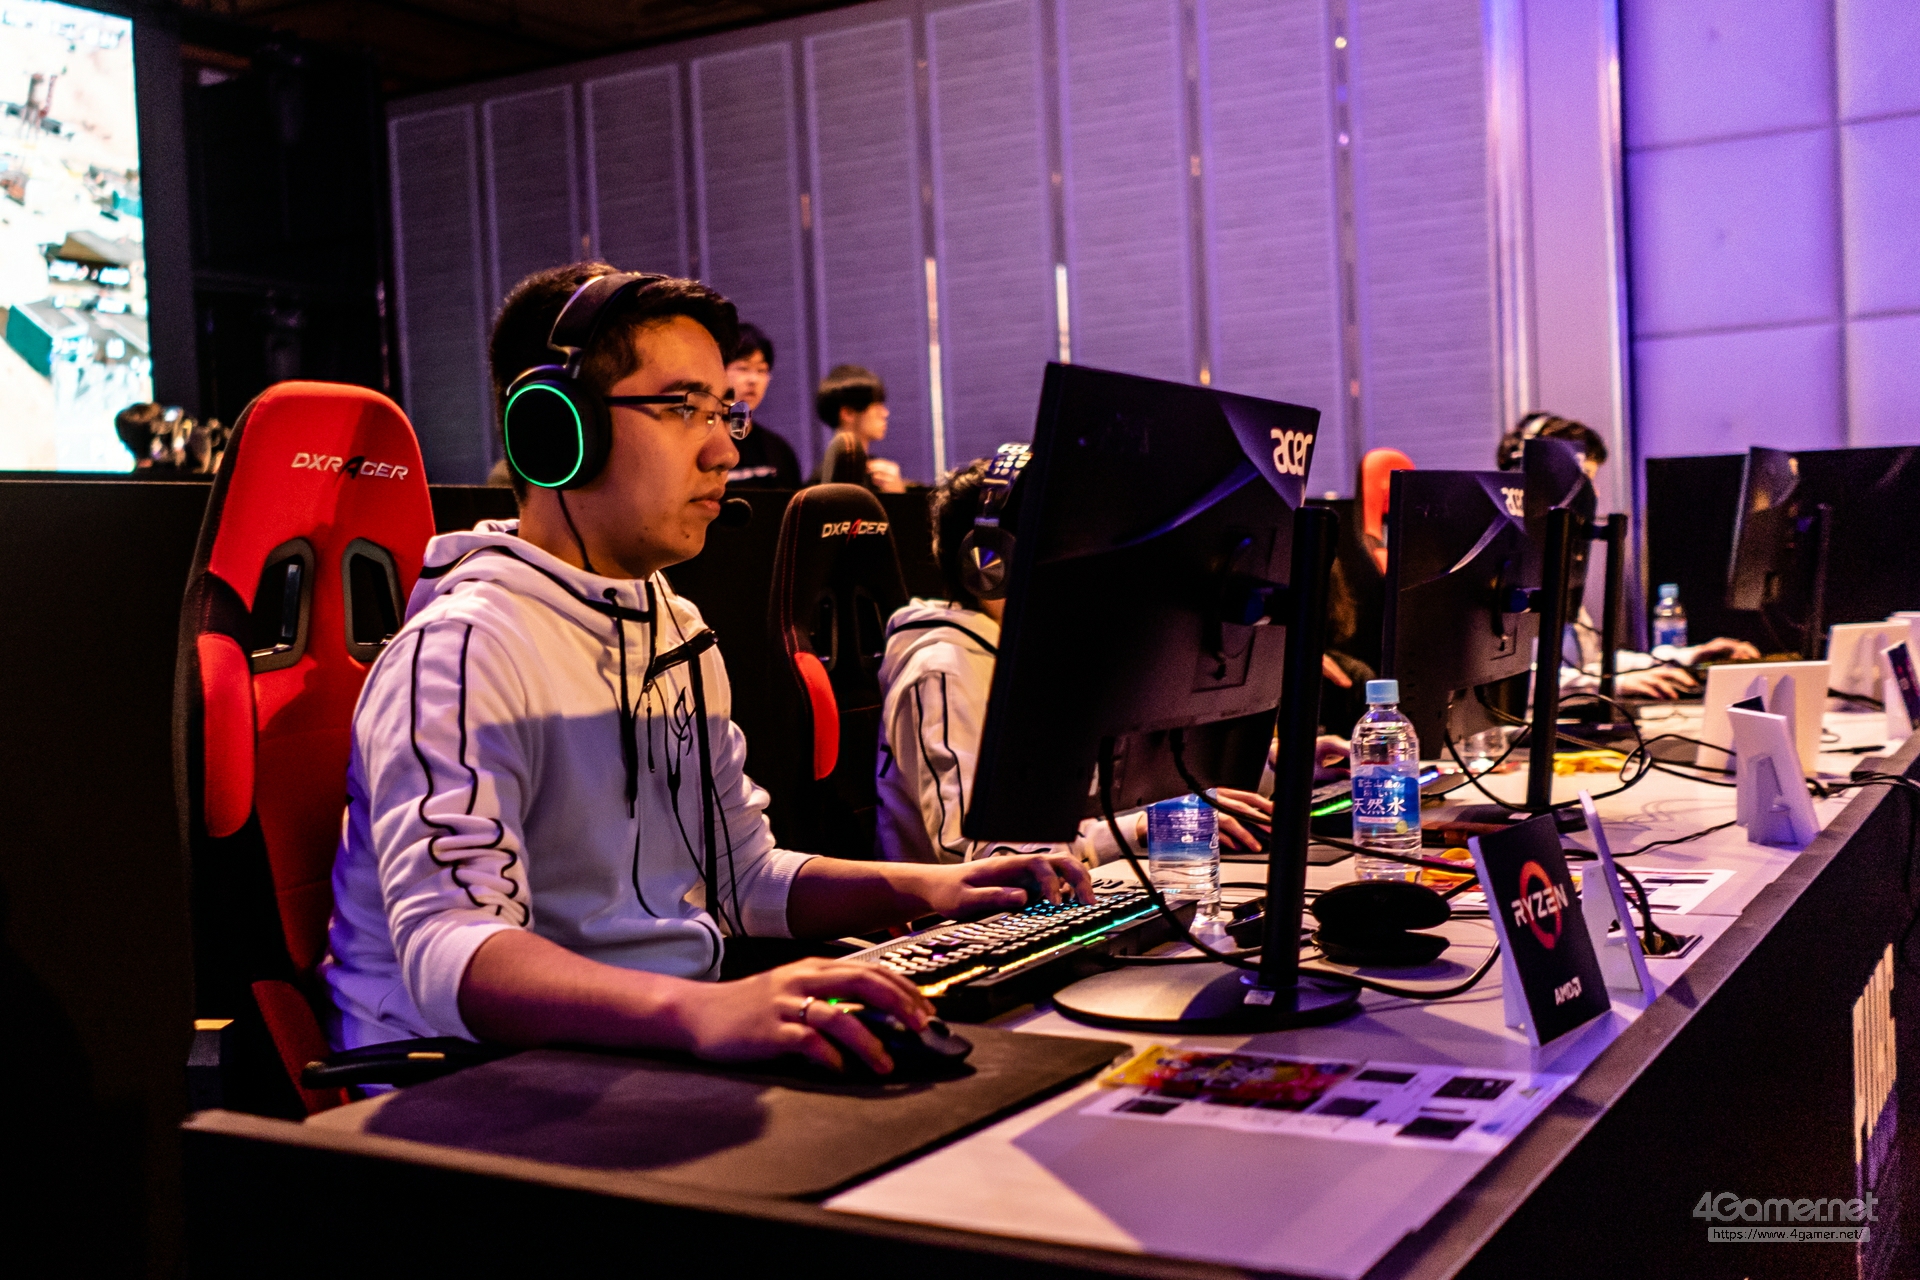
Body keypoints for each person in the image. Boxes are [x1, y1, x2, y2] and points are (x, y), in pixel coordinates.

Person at [321, 264, 1091, 1076]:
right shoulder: (464, 649)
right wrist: (705, 1012)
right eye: (682, 408)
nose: (724, 450)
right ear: (557, 429)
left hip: (647, 1050)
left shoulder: (675, 629)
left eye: (726, 413)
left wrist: (938, 889)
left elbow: (743, 875)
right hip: (472, 1083)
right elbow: (452, 952)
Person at [874, 453, 1280, 866]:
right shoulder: (943, 669)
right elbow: (978, 850)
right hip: (991, 905)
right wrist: (1143, 828)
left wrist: (1270, 766)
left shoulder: (1048, 648)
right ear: (990, 566)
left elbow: (1115, 792)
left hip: (1081, 884)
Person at [1496, 413, 1759, 699]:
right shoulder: (1503, 565)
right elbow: (1509, 680)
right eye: (1582, 483)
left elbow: (1588, 663)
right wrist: (1610, 685)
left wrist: (1686, 658)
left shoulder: (1558, 564)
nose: (1594, 494)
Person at [722, 322, 802, 489]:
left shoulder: (778, 450)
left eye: (761, 370)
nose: (753, 380)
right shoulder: (706, 446)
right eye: (743, 368)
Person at [810, 363, 906, 493]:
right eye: (876, 405)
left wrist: (898, 493)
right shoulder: (820, 482)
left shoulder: (879, 476)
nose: (885, 413)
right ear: (848, 413)